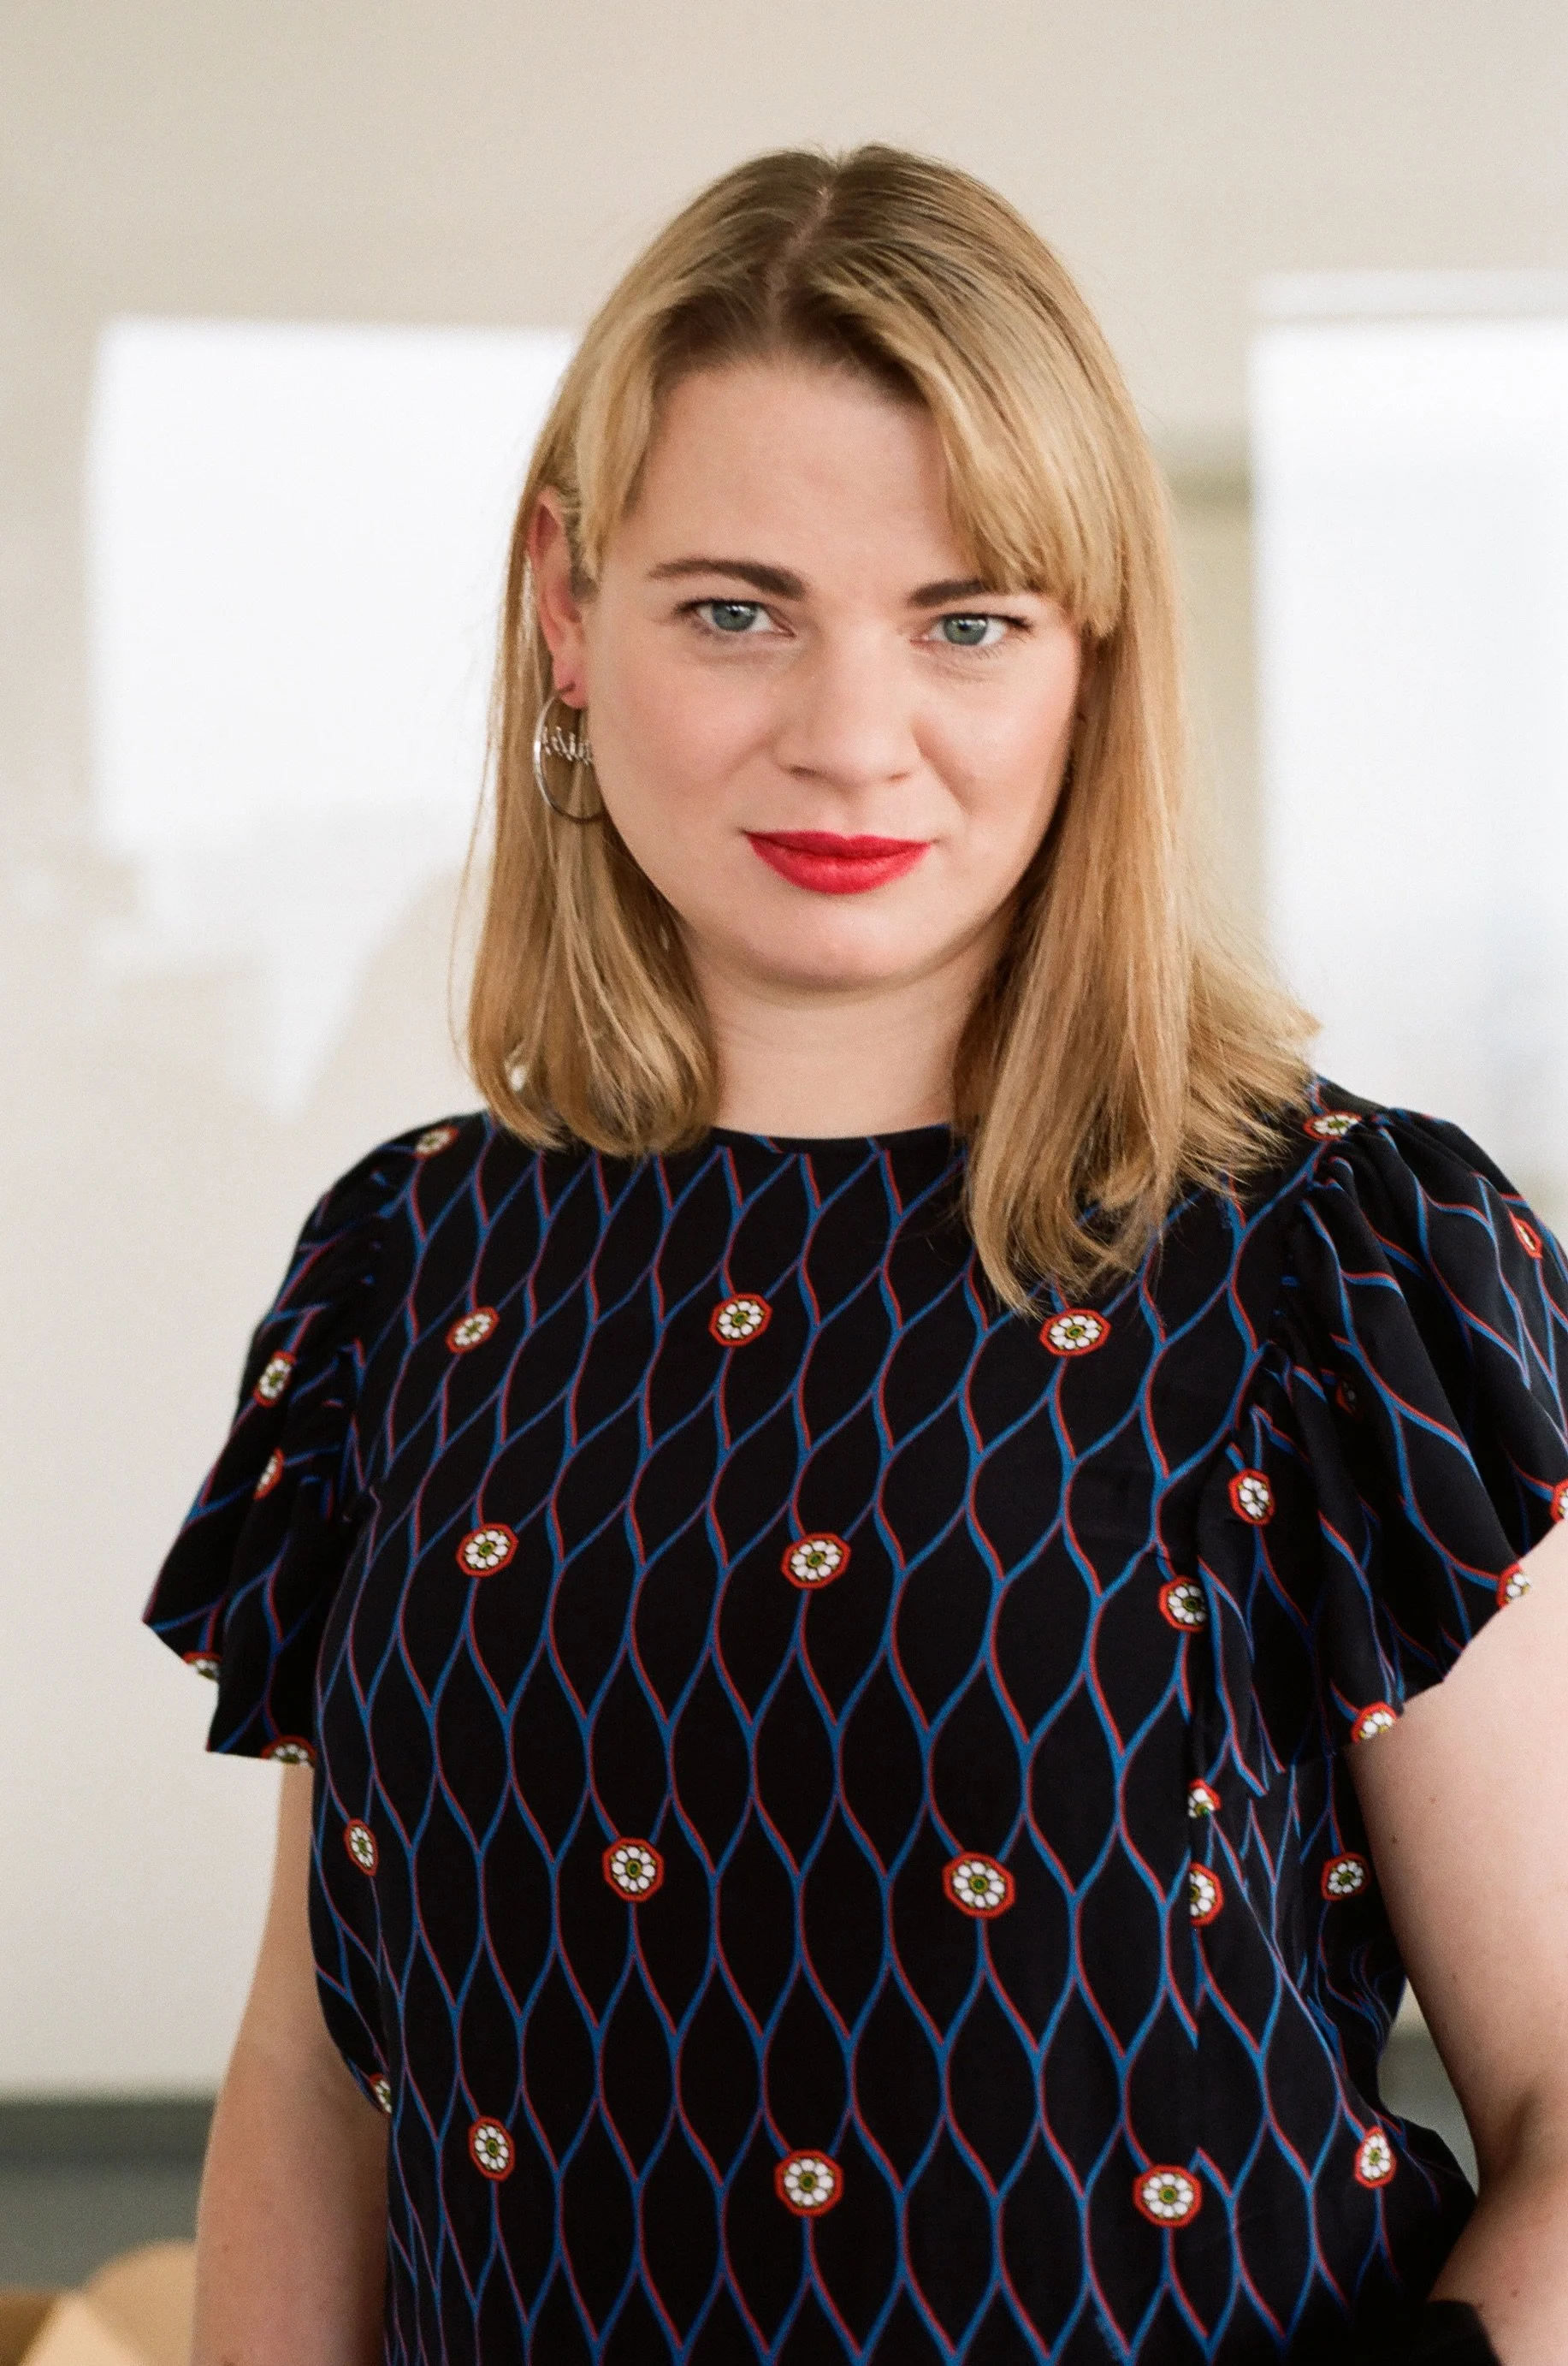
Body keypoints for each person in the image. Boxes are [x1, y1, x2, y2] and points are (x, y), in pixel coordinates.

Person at [144, 145, 1568, 2366]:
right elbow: (324, 2092)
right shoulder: (405, 1264)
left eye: (969, 618)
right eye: (737, 607)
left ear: (1089, 661)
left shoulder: (1340, 1258)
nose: (849, 730)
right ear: (564, 614)